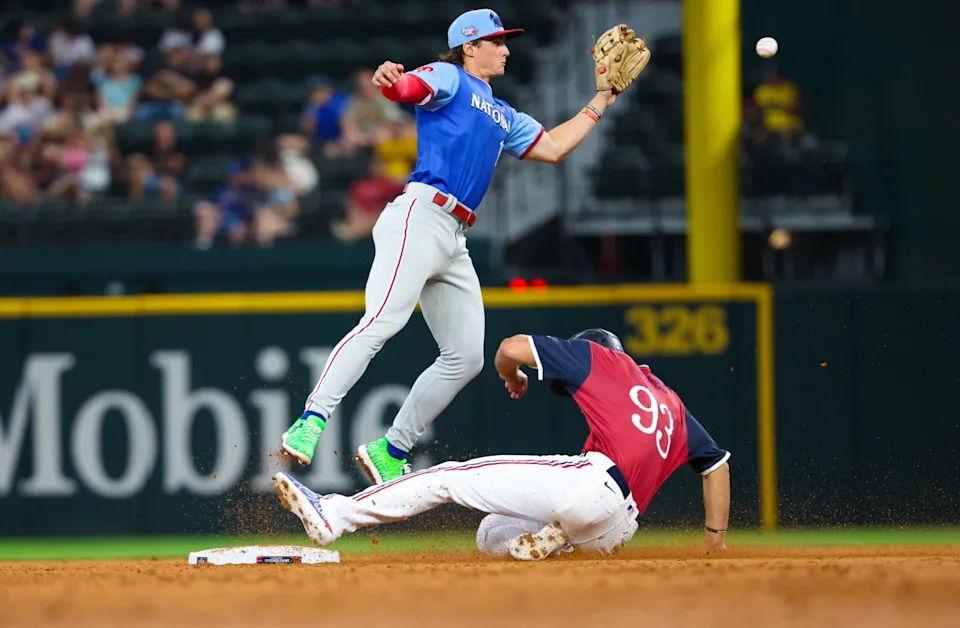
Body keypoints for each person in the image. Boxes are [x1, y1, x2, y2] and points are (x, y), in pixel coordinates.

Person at [280, 9, 627, 485]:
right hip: (419, 217)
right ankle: (311, 420)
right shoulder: (449, 77)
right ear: (470, 46)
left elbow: (552, 147)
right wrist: (389, 82)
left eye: (506, 42)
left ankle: (391, 448)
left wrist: (602, 99)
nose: (506, 49)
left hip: (456, 235)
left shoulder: (504, 113)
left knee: (466, 357)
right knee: (383, 320)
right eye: (497, 41)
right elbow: (409, 89)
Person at [272, 328, 731, 560]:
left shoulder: (600, 356)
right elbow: (716, 466)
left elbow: (511, 348)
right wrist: (715, 541)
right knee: (491, 532)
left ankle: (334, 515)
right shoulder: (672, 404)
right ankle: (557, 541)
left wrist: (511, 375)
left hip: (593, 484)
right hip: (616, 533)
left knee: (447, 476)